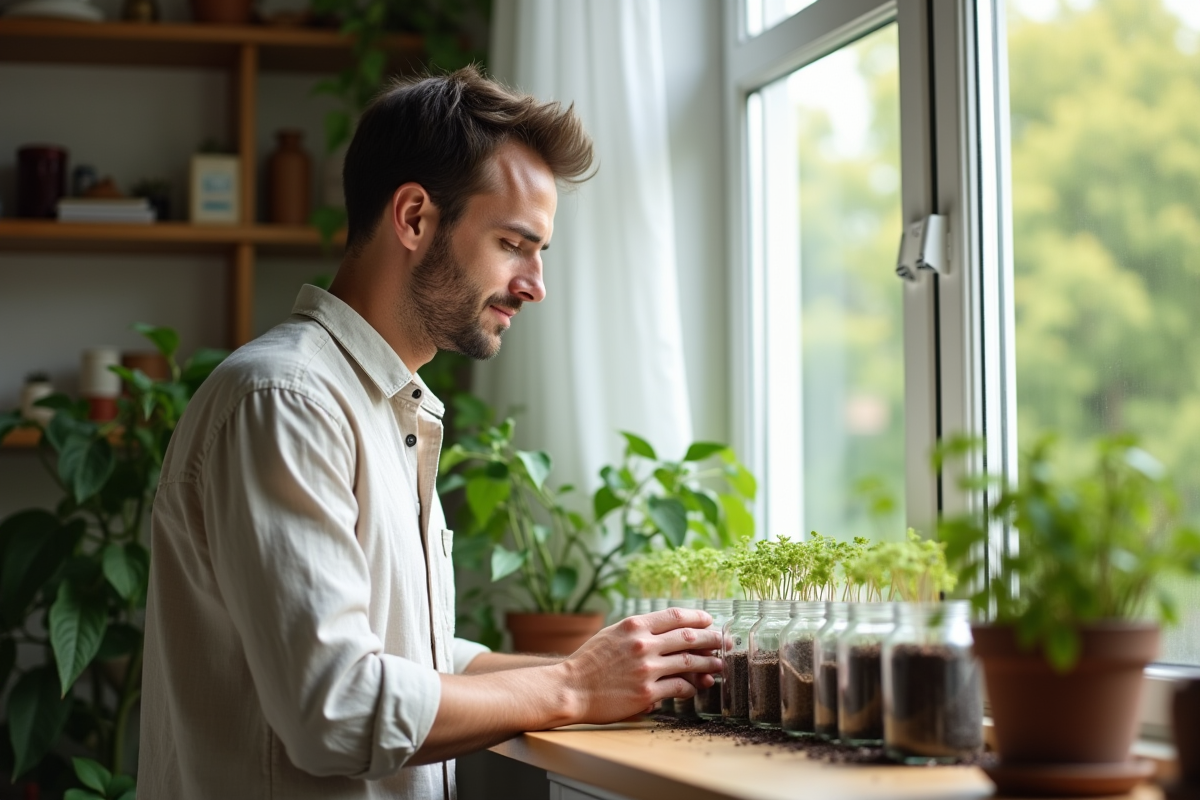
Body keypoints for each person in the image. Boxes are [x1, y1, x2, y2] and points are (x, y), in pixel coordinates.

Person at [138, 66, 723, 800]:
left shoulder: (384, 407)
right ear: (414, 218)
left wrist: (625, 669)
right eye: (514, 243)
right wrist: (574, 685)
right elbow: (339, 710)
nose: (535, 283)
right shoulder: (286, 401)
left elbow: (411, 652)